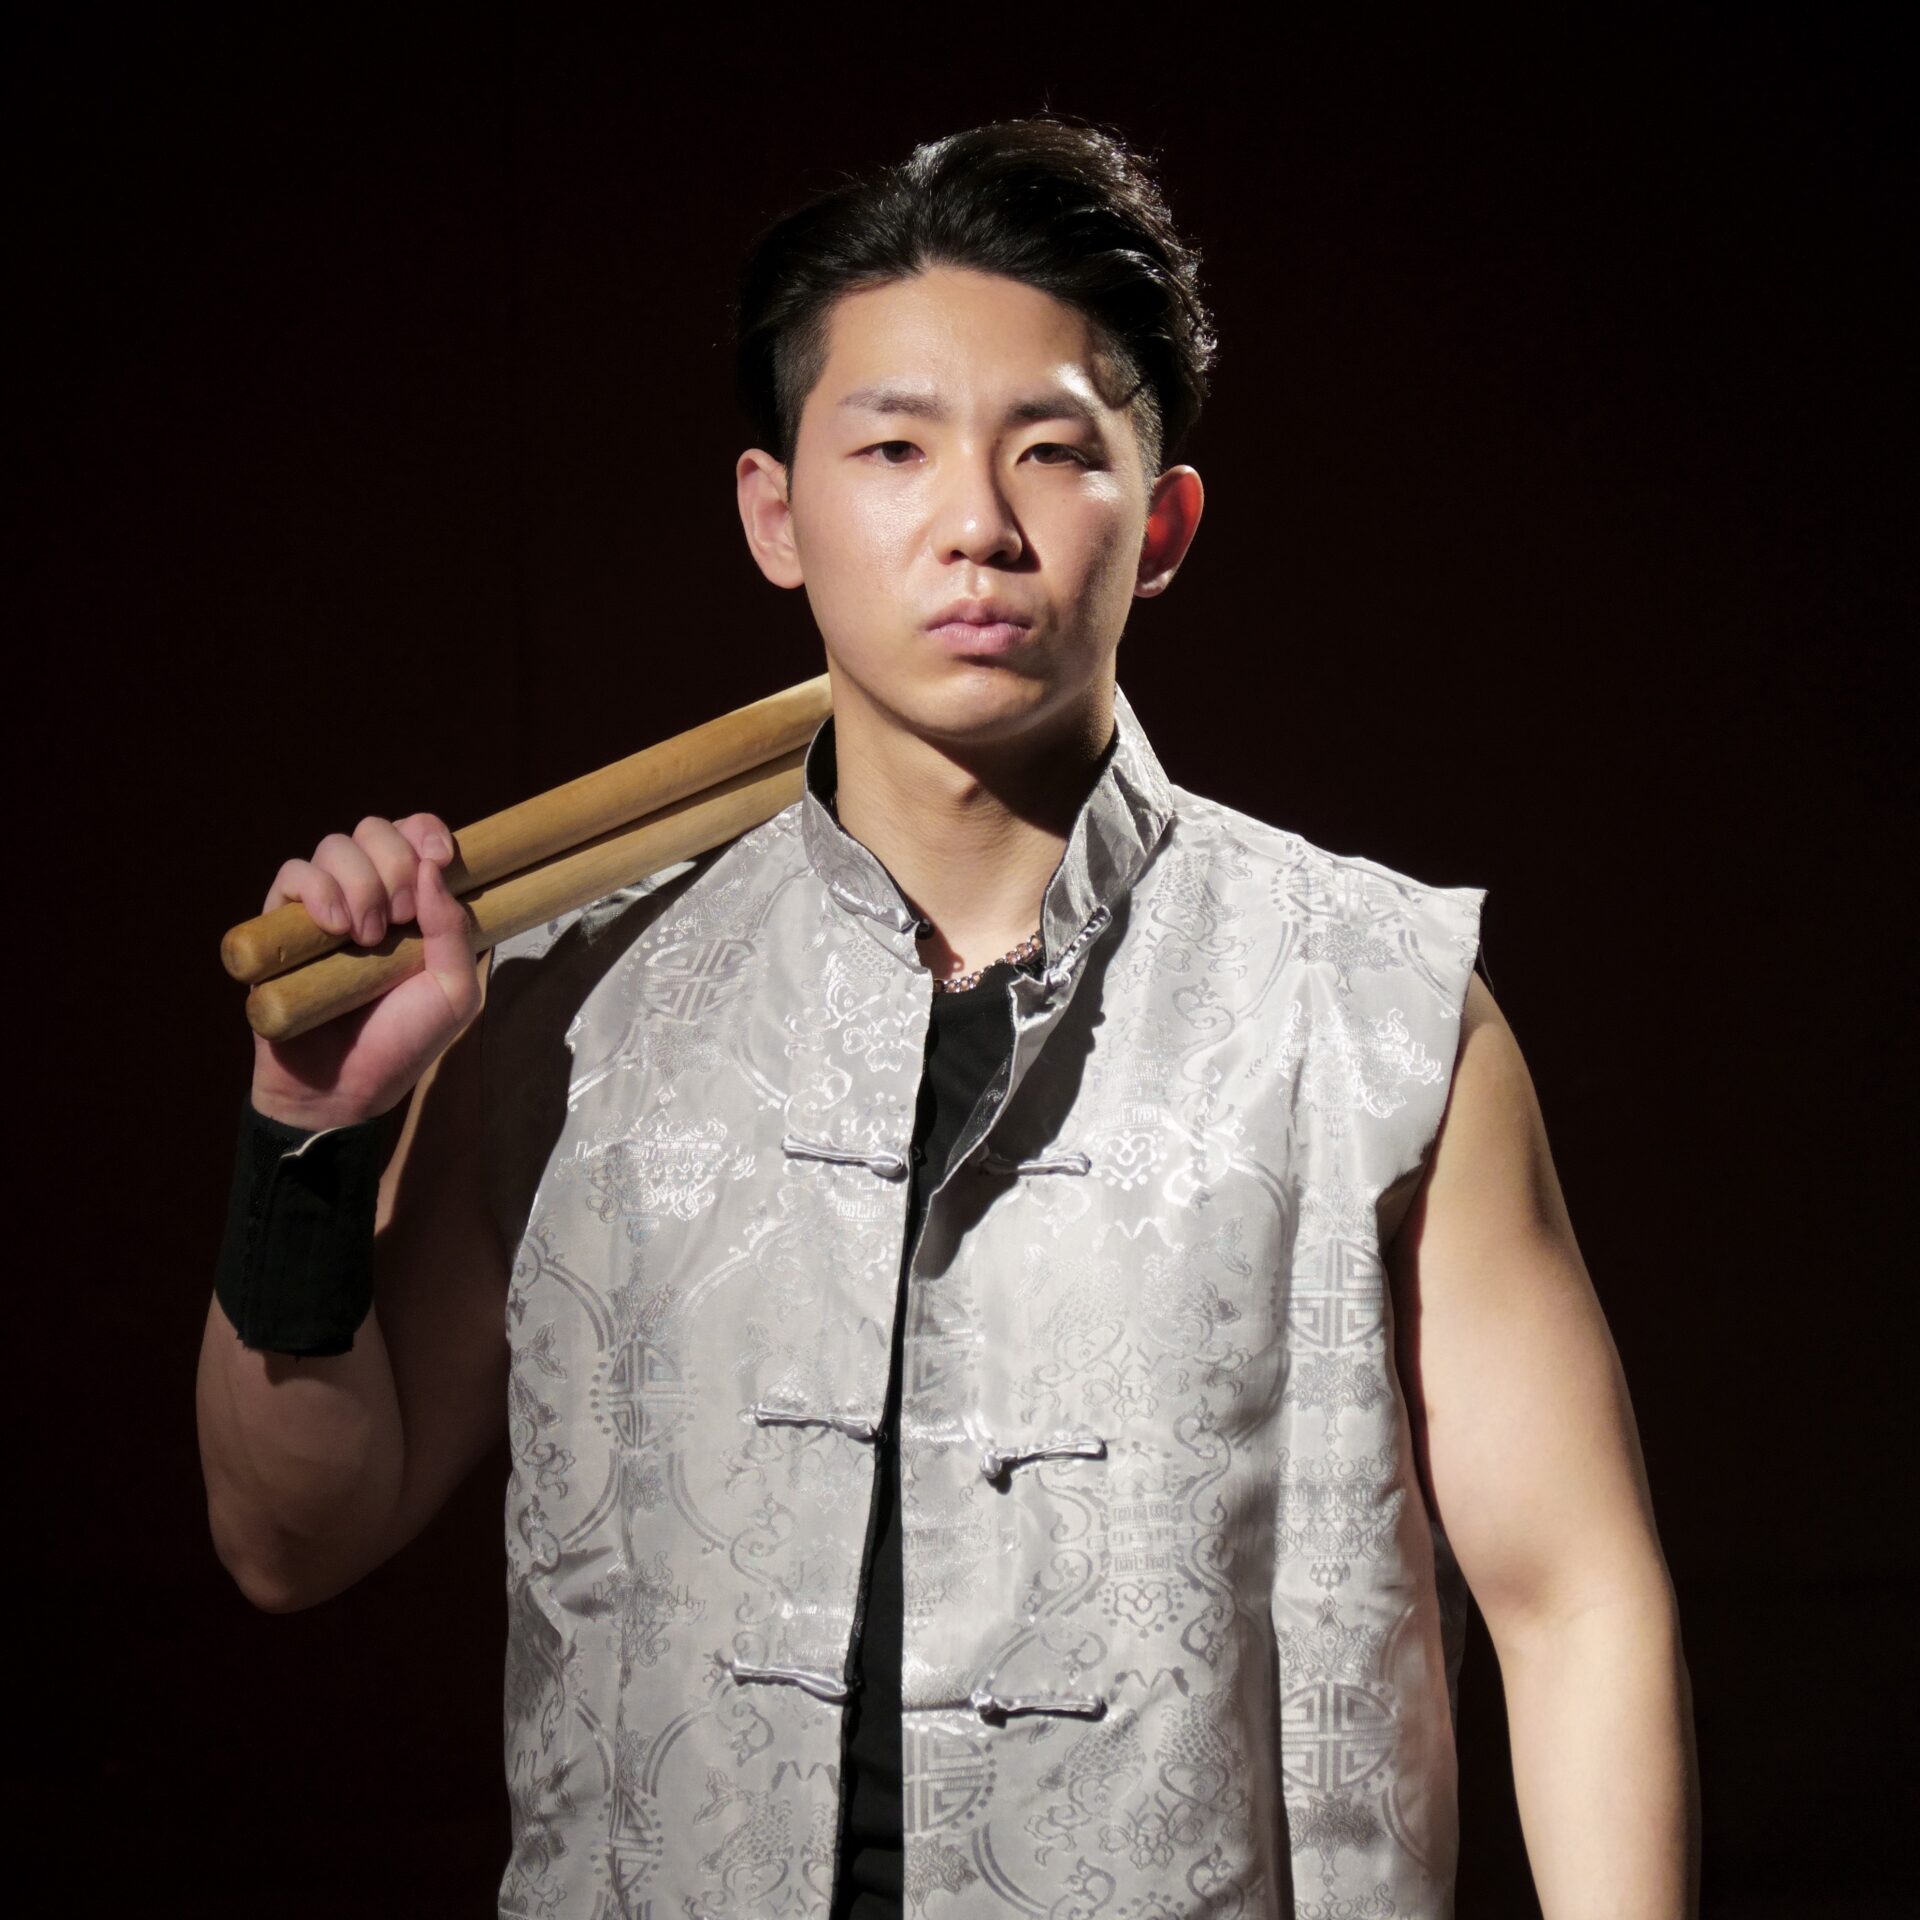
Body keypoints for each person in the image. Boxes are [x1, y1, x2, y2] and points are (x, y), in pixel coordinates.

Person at [198, 116, 1699, 1919]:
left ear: (1162, 523)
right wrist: (309, 1133)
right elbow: (293, 1537)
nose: (976, 525)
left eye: (1051, 452)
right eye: (893, 448)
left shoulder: (1370, 1006)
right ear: (776, 512)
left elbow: (1575, 1602)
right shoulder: (574, 1009)